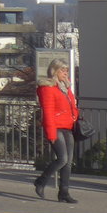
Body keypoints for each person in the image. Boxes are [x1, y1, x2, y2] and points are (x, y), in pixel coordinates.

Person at [34, 58, 79, 203]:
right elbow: (48, 112)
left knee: (68, 162)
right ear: (54, 71)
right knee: (62, 158)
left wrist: (69, 88)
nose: (65, 73)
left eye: (66, 70)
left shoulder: (64, 87)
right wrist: (51, 133)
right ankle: (41, 181)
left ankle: (64, 192)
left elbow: (72, 107)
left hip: (67, 127)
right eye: (62, 70)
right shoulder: (47, 88)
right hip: (56, 127)